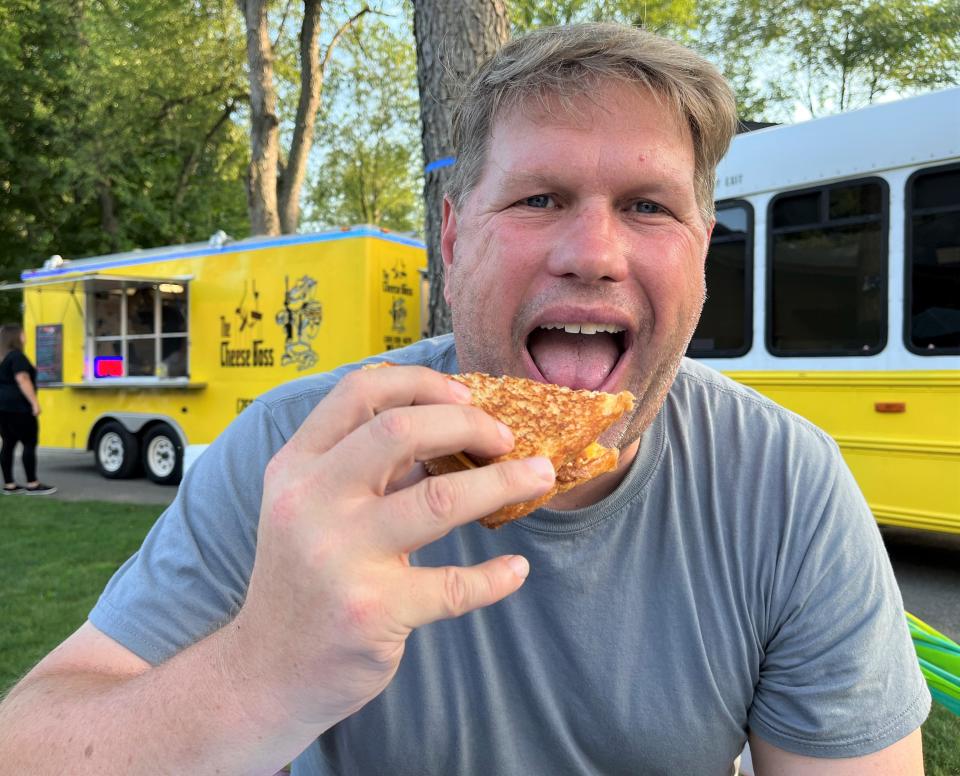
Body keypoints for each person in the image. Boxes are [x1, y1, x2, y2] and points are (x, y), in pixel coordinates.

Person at [0, 23, 929, 775]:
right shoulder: (299, 452)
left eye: (650, 206)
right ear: (452, 239)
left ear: (700, 256)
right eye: (538, 199)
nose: (593, 253)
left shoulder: (786, 485)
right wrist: (260, 672)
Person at [0, 323, 56, 495]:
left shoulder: (2, 358)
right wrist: (34, 403)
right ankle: (33, 483)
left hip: (2, 407)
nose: (26, 337)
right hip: (19, 407)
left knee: (8, 444)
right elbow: (23, 379)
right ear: (16, 338)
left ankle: (9, 484)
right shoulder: (17, 357)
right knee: (29, 443)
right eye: (23, 334)